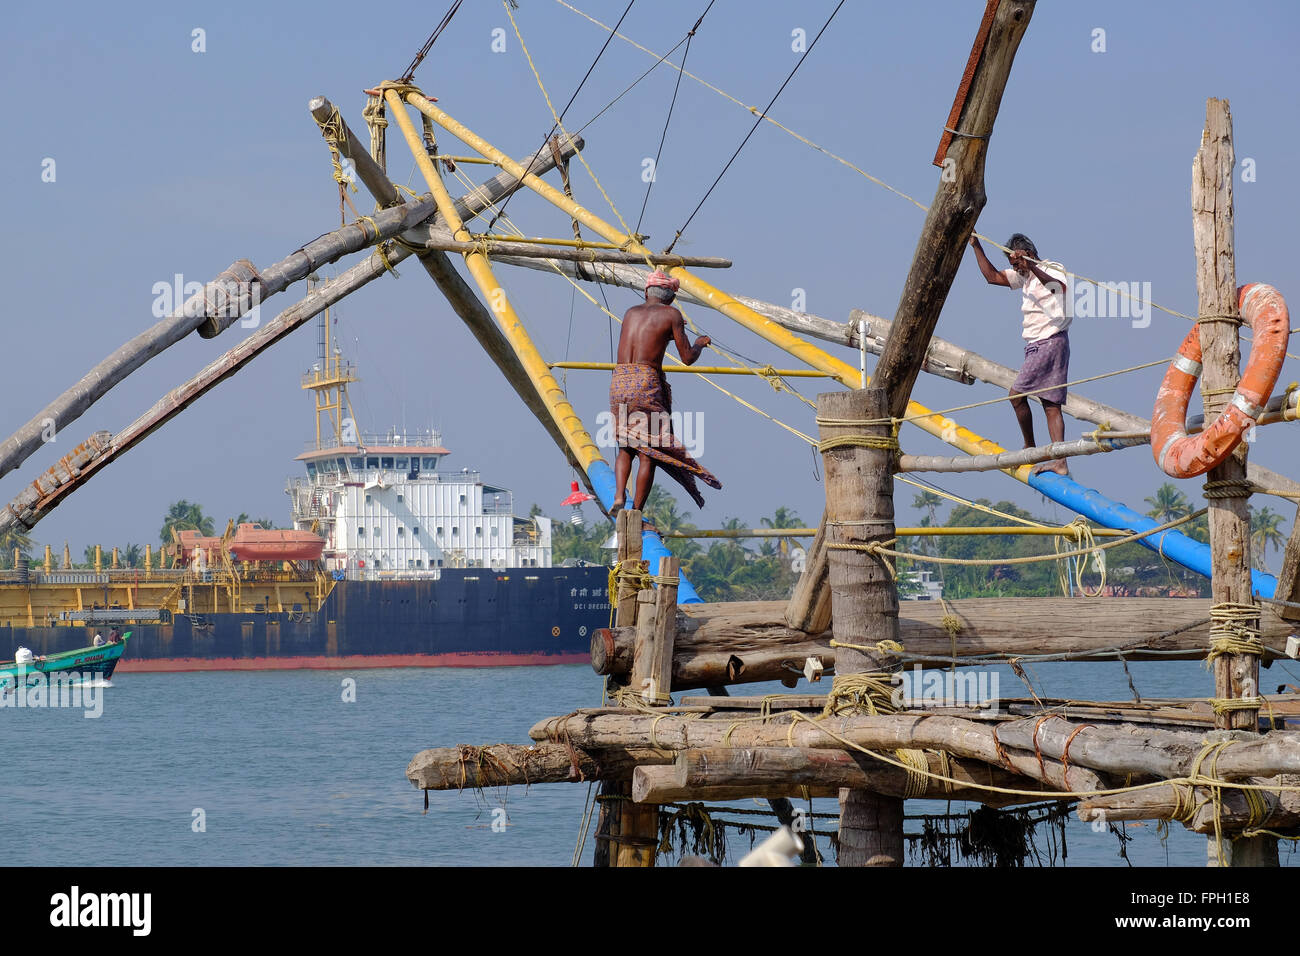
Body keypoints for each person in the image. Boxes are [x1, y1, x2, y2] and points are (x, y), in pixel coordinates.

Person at [609, 271, 722, 513]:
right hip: (644, 383)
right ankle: (636, 511)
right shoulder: (672, 314)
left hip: (619, 380)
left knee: (626, 445)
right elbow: (687, 358)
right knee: (649, 452)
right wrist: (700, 344)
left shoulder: (630, 312)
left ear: (646, 292)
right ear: (670, 298)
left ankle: (619, 497)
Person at [969, 232, 1071, 475]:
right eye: (1013, 265)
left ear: (1030, 255)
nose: (1016, 269)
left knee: (1016, 396)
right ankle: (1060, 462)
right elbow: (992, 277)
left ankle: (1030, 446)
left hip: (1048, 342)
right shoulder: (1024, 276)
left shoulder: (1051, 268)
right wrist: (976, 246)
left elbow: (1058, 287)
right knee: (1050, 404)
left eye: (1017, 263)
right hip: (1042, 344)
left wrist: (1031, 267)